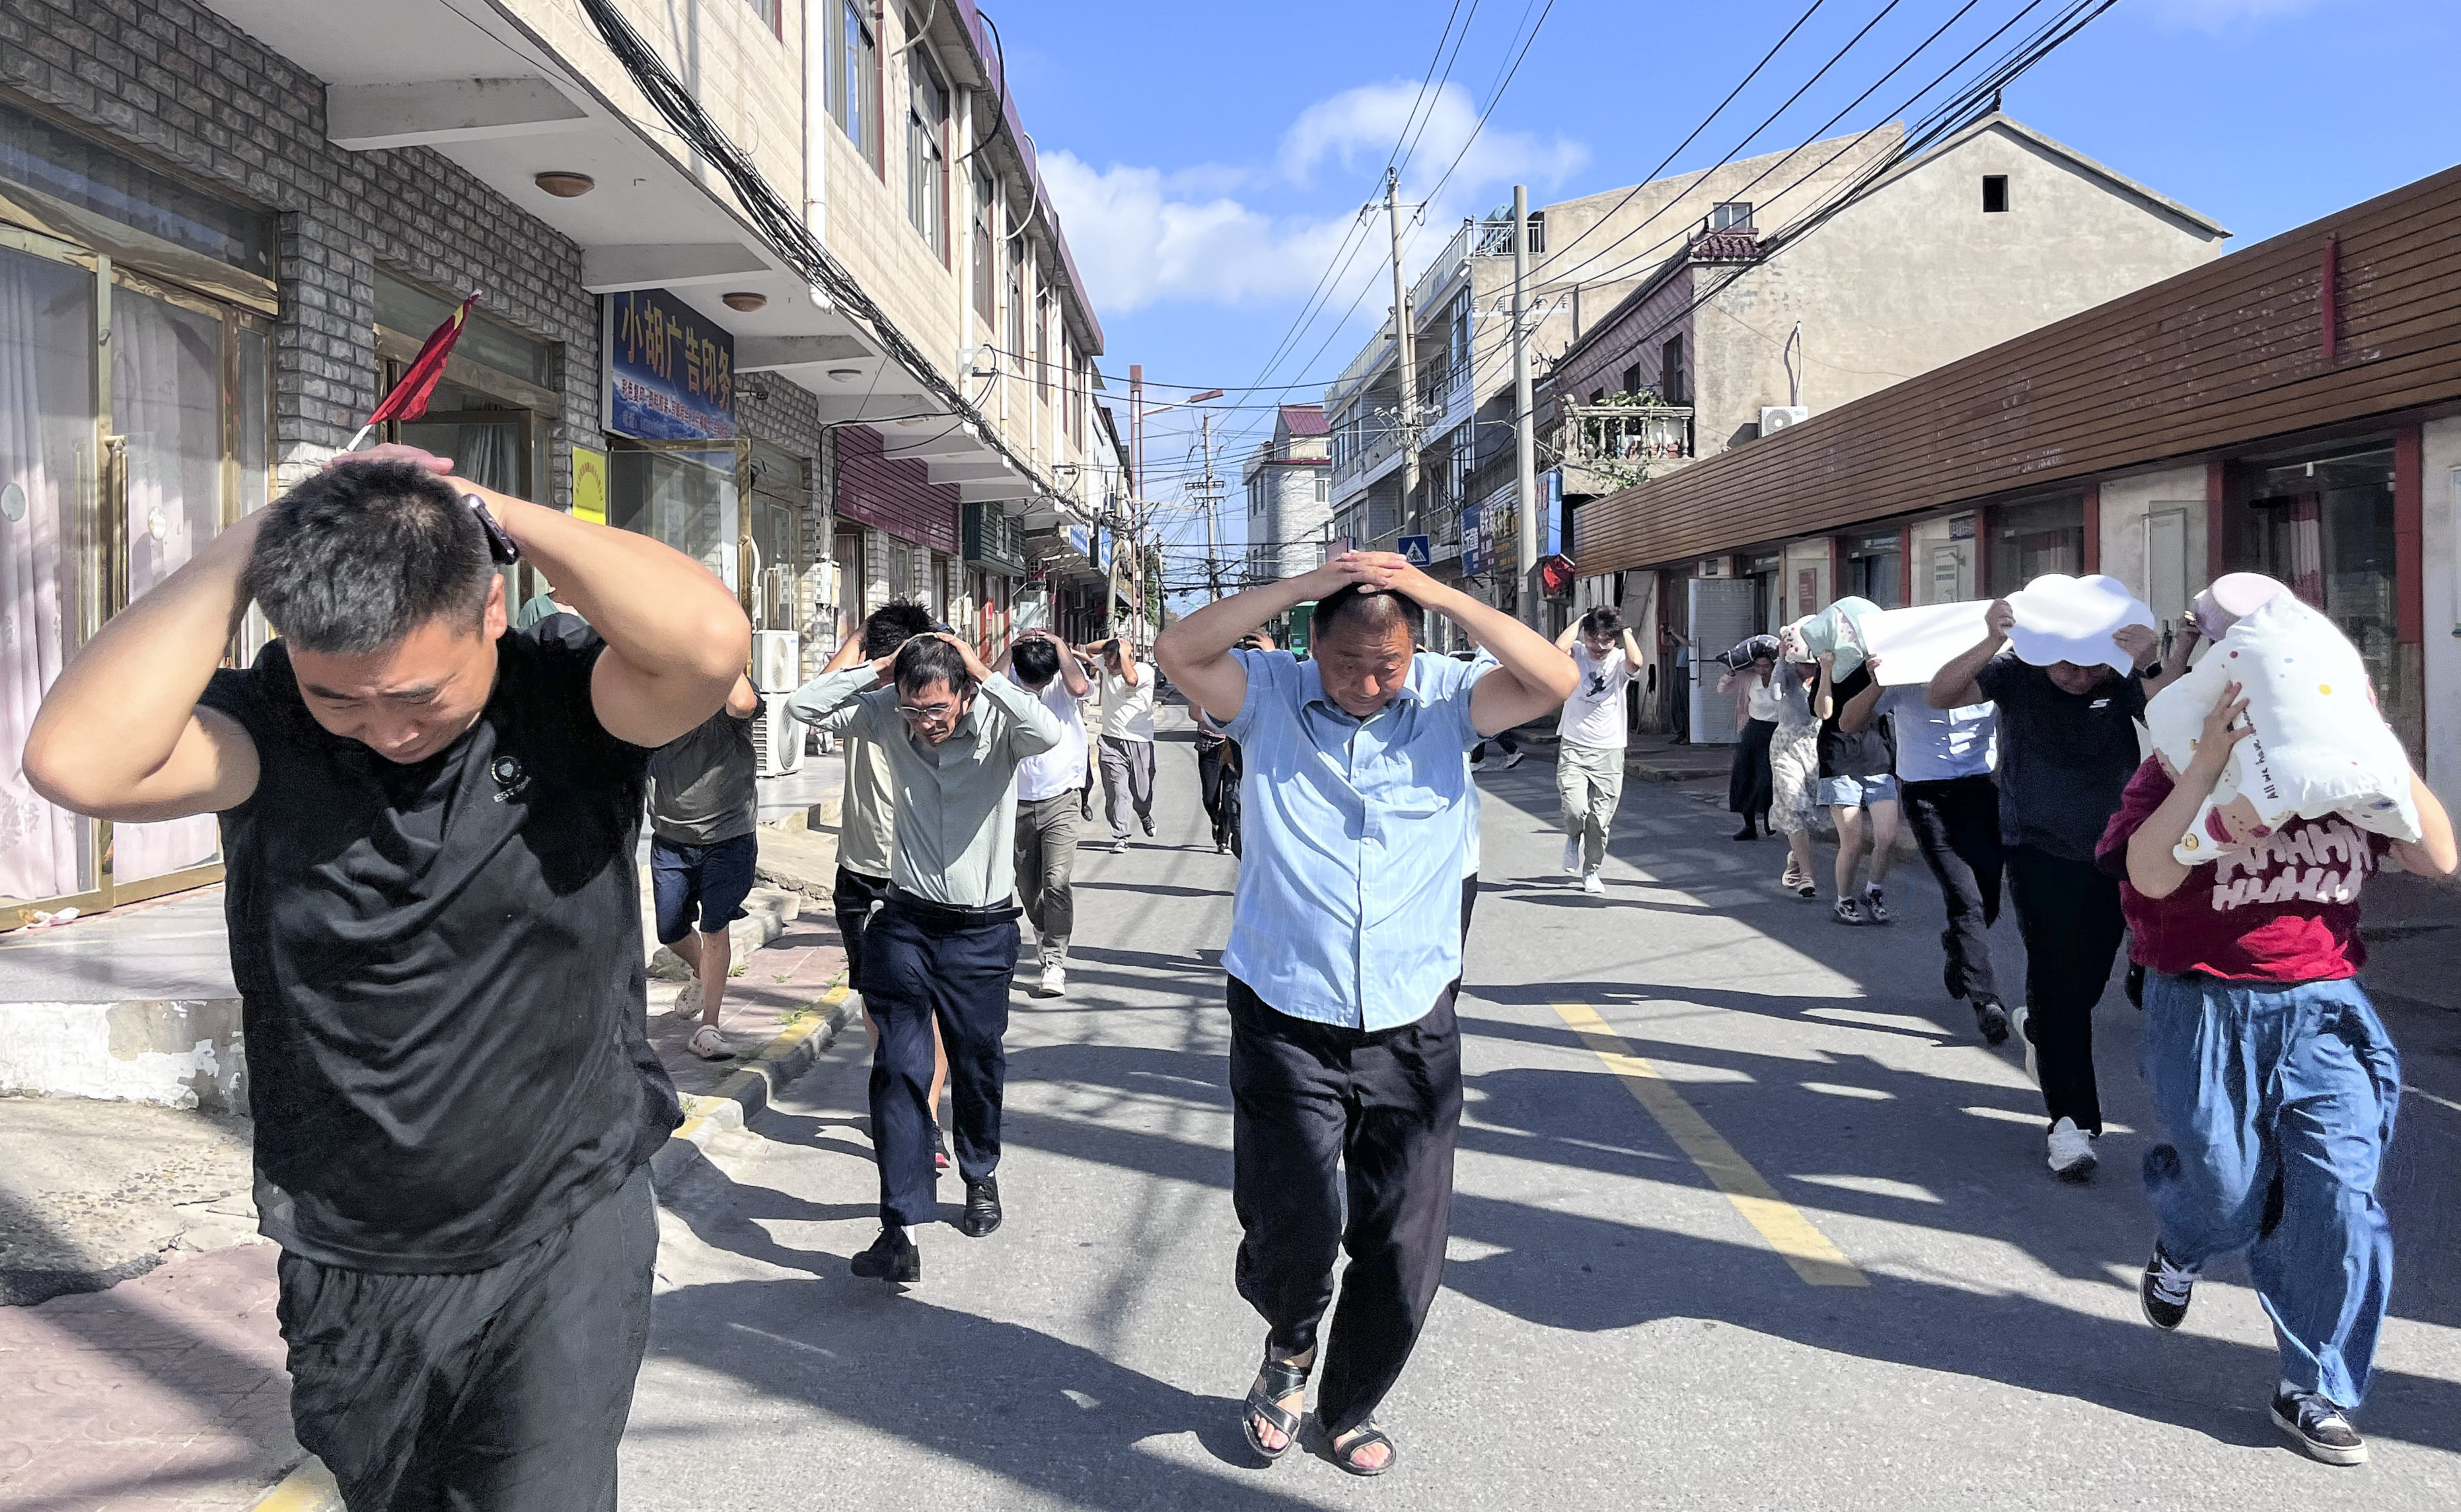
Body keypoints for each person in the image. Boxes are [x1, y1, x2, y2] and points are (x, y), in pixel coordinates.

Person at [23, 447, 747, 1510]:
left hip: (565, 1218)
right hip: (348, 1239)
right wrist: (260, 539)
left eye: (418, 696)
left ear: (490, 611)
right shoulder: (268, 730)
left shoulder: (568, 708)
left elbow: (705, 641)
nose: (389, 729)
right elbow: (75, 761)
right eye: (344, 699)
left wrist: (475, 508)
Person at [1156, 550, 1577, 1478]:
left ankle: (1348, 1402)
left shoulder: (1445, 698)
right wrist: (1297, 589)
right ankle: (1290, 1343)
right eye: (1348, 663)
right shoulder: (1267, 691)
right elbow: (1177, 647)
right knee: (1292, 1224)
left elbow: (1554, 678)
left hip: (1410, 1019)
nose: (1367, 683)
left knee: (1401, 1243)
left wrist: (1434, 594)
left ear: (1414, 649)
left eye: (1387, 663)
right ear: (1314, 646)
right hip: (1283, 1008)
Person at [2102, 677, 2455, 1466]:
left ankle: (2314, 1383)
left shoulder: (2346, 769)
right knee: (2230, 1200)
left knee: (2340, 1194)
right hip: (2204, 1004)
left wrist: (2381, 746)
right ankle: (2184, 1235)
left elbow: (2439, 855)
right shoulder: (2173, 763)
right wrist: (2205, 766)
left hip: (2323, 1007)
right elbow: (2150, 873)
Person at [788, 630, 1062, 1282]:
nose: (925, 724)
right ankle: (900, 1228)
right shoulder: (890, 713)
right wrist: (881, 669)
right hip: (907, 923)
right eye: (914, 710)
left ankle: (980, 1171)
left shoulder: (998, 722)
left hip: (982, 933)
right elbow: (803, 706)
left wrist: (981, 671)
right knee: (899, 1071)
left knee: (976, 1063)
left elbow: (1048, 732)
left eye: (937, 709)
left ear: (965, 693)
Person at [1928, 597, 2184, 1178]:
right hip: (2036, 848)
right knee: (2058, 979)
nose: (2075, 674)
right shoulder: (2015, 675)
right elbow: (1940, 694)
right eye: (2063, 664)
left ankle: (2041, 1027)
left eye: (2087, 664)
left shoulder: (2119, 678)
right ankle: (2070, 1124)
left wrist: (2150, 663)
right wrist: (1991, 639)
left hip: (2113, 848)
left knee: (2089, 978)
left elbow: (2175, 727)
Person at [811, 603, 953, 1168]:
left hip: (924, 877)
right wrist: (862, 644)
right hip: (861, 872)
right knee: (881, 1003)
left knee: (930, 1006)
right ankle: (900, 1088)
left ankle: (927, 1113)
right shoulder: (864, 707)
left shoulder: (943, 705)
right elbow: (810, 703)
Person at [1851, 655, 2008, 1042]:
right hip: (1927, 799)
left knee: (1988, 898)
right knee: (1965, 899)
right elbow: (1849, 722)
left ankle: (1957, 946)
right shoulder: (1906, 679)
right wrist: (1877, 680)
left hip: (1982, 792)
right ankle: (1986, 1001)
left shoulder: (1989, 676)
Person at [649, 673, 765, 1060]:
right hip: (670, 835)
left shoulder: (727, 696)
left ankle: (709, 1027)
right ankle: (705, 972)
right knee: (670, 929)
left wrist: (722, 653)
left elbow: (745, 704)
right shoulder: (656, 695)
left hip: (728, 834)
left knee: (715, 928)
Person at [1009, 630, 1093, 996]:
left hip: (1062, 797)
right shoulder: (1013, 679)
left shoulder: (1063, 679)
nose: (1036, 688)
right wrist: (1010, 650)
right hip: (1016, 801)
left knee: (1056, 881)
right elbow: (988, 682)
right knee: (1027, 885)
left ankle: (1055, 960)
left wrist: (1060, 645)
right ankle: (1044, 933)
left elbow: (1078, 688)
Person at [1552, 607, 1644, 896]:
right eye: (1594, 639)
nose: (1599, 647)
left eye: (1607, 641)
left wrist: (1625, 630)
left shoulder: (1618, 660)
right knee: (1575, 809)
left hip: (1610, 749)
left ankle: (1592, 869)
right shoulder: (1578, 653)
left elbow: (1638, 662)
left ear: (1615, 641)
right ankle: (1572, 837)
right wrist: (1580, 621)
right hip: (1575, 744)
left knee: (1600, 819)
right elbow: (1557, 650)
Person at [1813, 649, 1899, 925]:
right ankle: (1844, 900)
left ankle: (1873, 892)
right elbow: (1824, 712)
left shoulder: (1880, 665)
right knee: (1853, 841)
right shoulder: (1832, 669)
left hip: (1878, 760)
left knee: (1887, 837)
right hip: (1839, 761)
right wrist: (1826, 669)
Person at [1089, 637, 1158, 852]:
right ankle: (1121, 835)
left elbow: (1131, 680)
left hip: (1140, 742)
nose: (1107, 667)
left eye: (1112, 663)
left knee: (1142, 792)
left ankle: (1144, 813)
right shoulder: (1108, 664)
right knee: (1117, 790)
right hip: (1110, 741)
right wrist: (1115, 643)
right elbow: (1090, 649)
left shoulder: (1146, 671)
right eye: (1106, 663)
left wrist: (1124, 653)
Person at [1766, 656, 1822, 898]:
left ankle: (1797, 857)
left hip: (1815, 749)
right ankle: (1807, 876)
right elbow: (1775, 694)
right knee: (1793, 802)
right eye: (1805, 663)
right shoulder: (1786, 675)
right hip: (1785, 748)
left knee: (1812, 811)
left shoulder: (1824, 675)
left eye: (1813, 663)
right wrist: (1780, 657)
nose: (1810, 668)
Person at [1716, 637, 1782, 841]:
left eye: (1766, 666)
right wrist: (1732, 671)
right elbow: (1721, 688)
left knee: (1768, 779)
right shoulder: (1748, 678)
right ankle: (1749, 826)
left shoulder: (1782, 677)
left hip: (1776, 731)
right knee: (1745, 776)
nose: (1762, 670)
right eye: (1758, 666)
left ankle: (1770, 820)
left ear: (1773, 664)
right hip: (1753, 729)